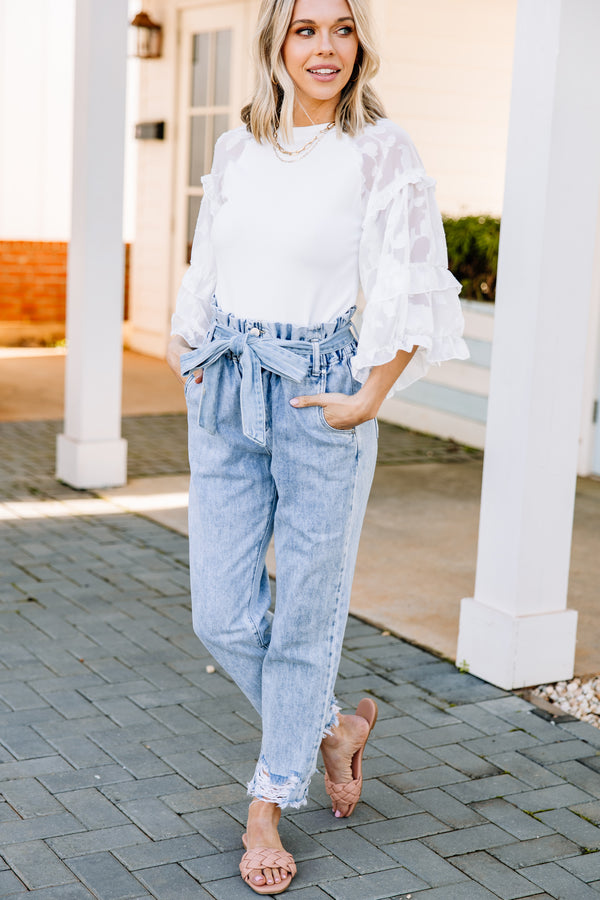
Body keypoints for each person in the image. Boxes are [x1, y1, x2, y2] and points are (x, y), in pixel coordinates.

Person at [167, 0, 468, 892]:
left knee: (304, 612)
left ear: (361, 44)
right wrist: (189, 354)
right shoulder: (236, 148)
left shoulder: (381, 150)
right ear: (277, 43)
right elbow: (207, 261)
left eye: (341, 29)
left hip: (317, 393)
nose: (325, 47)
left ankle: (266, 803)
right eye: (306, 29)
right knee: (219, 611)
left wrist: (368, 396)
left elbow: (416, 278)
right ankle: (334, 727)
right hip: (227, 383)